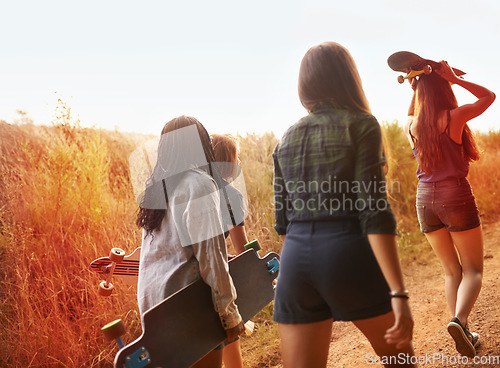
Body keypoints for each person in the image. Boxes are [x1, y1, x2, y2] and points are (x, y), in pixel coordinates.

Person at [272, 41, 416, 368]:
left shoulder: (286, 138)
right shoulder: (361, 124)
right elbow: (374, 213)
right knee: (401, 363)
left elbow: (283, 221)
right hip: (346, 254)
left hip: (294, 260)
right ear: (348, 78)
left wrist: (294, 268)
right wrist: (398, 293)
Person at [135, 116, 245, 368]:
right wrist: (229, 314)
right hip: (188, 308)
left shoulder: (156, 190)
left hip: (153, 312)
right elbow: (211, 257)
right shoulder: (200, 184)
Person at [405, 60, 495, 357]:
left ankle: (464, 331)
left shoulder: (412, 125)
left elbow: (411, 112)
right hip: (454, 195)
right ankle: (459, 320)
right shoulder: (453, 118)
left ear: (419, 94)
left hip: (424, 201)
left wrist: (416, 83)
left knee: (451, 272)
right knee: (473, 270)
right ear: (443, 91)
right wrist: (454, 78)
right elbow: (489, 97)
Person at [211, 133, 249, 368]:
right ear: (227, 162)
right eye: (237, 157)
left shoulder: (189, 190)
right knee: (229, 336)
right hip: (213, 284)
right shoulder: (231, 196)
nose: (240, 163)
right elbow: (244, 251)